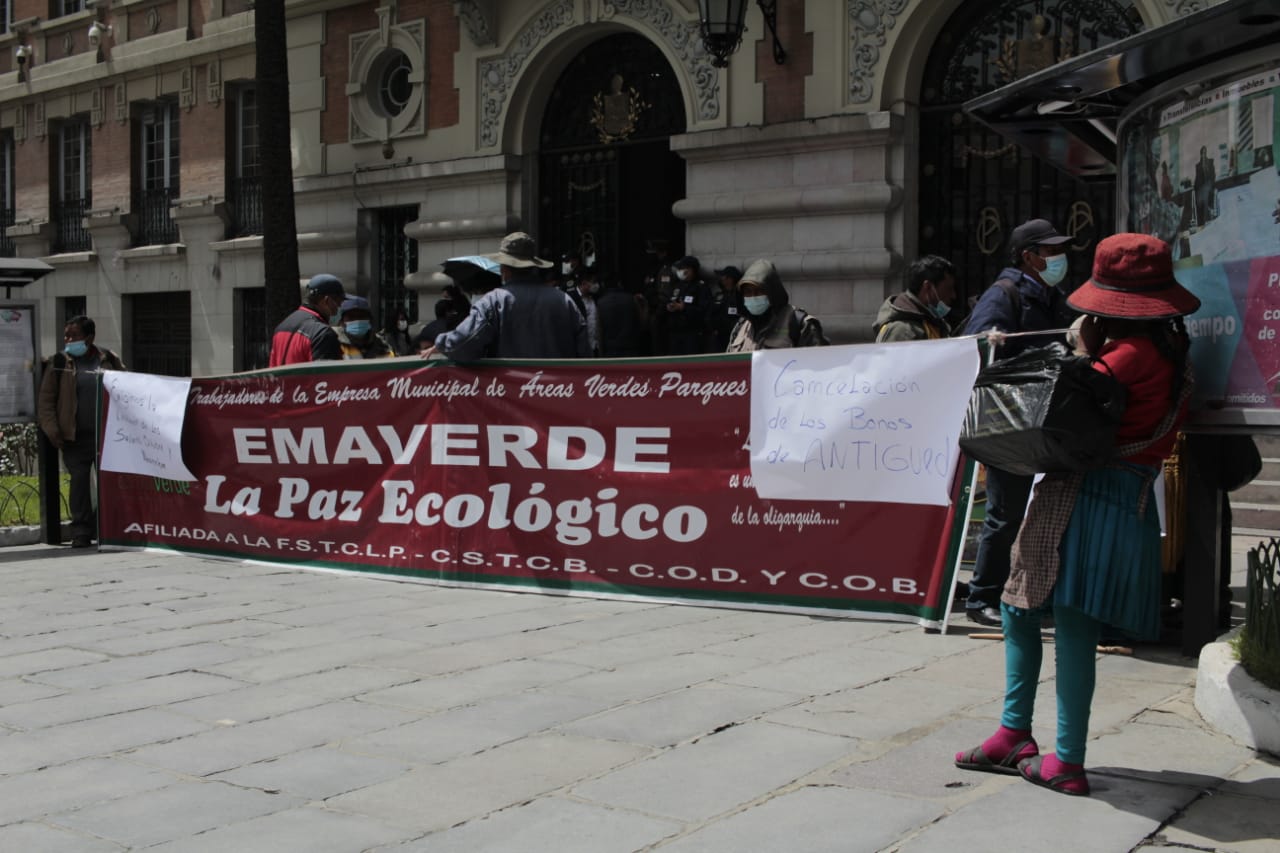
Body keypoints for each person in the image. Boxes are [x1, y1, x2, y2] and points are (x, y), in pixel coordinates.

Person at [955, 233, 1199, 797]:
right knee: (1024, 609)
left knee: (1067, 624)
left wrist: (1084, 354)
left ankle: (1064, 758)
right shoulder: (1165, 352)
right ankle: (1015, 734)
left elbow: (1070, 411)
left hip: (1089, 495)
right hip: (1115, 496)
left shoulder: (1126, 357)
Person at [962, 219, 1075, 627]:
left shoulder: (1055, 297)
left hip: (1049, 421)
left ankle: (1030, 593)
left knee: (1048, 512)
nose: (1059, 258)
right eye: (1051, 251)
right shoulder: (1003, 295)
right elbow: (976, 353)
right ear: (1029, 257)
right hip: (1010, 423)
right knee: (1005, 513)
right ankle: (982, 598)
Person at [425, 232, 588, 361]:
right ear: (533, 266)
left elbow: (463, 344)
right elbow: (584, 355)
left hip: (509, 391)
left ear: (503, 269)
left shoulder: (492, 302)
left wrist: (441, 344)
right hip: (556, 390)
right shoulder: (563, 300)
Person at [37, 316, 126, 549]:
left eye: (74, 335)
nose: (68, 340)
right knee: (79, 484)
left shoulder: (108, 359)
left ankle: (108, 528)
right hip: (74, 438)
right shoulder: (59, 362)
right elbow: (46, 402)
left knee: (109, 484)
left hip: (106, 437)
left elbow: (128, 387)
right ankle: (81, 531)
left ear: (89, 337)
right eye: (66, 335)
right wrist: (53, 430)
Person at [725, 259, 829, 351]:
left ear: (772, 292)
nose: (753, 296)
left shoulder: (798, 323)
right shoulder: (741, 327)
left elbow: (818, 361)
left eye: (759, 291)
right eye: (748, 292)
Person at [873, 254, 958, 341]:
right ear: (928, 287)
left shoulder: (931, 322)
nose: (953, 296)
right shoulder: (902, 330)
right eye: (948, 289)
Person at [268, 273, 346, 366]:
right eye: (339, 303)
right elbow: (327, 373)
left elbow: (272, 368)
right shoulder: (322, 334)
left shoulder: (281, 327)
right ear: (327, 301)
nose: (339, 308)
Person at [660, 255, 712, 355]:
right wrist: (669, 307)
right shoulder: (677, 286)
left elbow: (704, 310)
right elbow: (668, 300)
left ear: (692, 270)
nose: (681, 271)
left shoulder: (700, 287)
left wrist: (684, 308)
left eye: (684, 268)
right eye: (680, 268)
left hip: (692, 333)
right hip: (675, 332)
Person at [706, 265, 744, 352]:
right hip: (718, 337)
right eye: (723, 278)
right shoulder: (719, 295)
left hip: (735, 336)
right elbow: (709, 314)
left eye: (727, 278)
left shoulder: (741, 296)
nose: (724, 280)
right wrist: (712, 328)